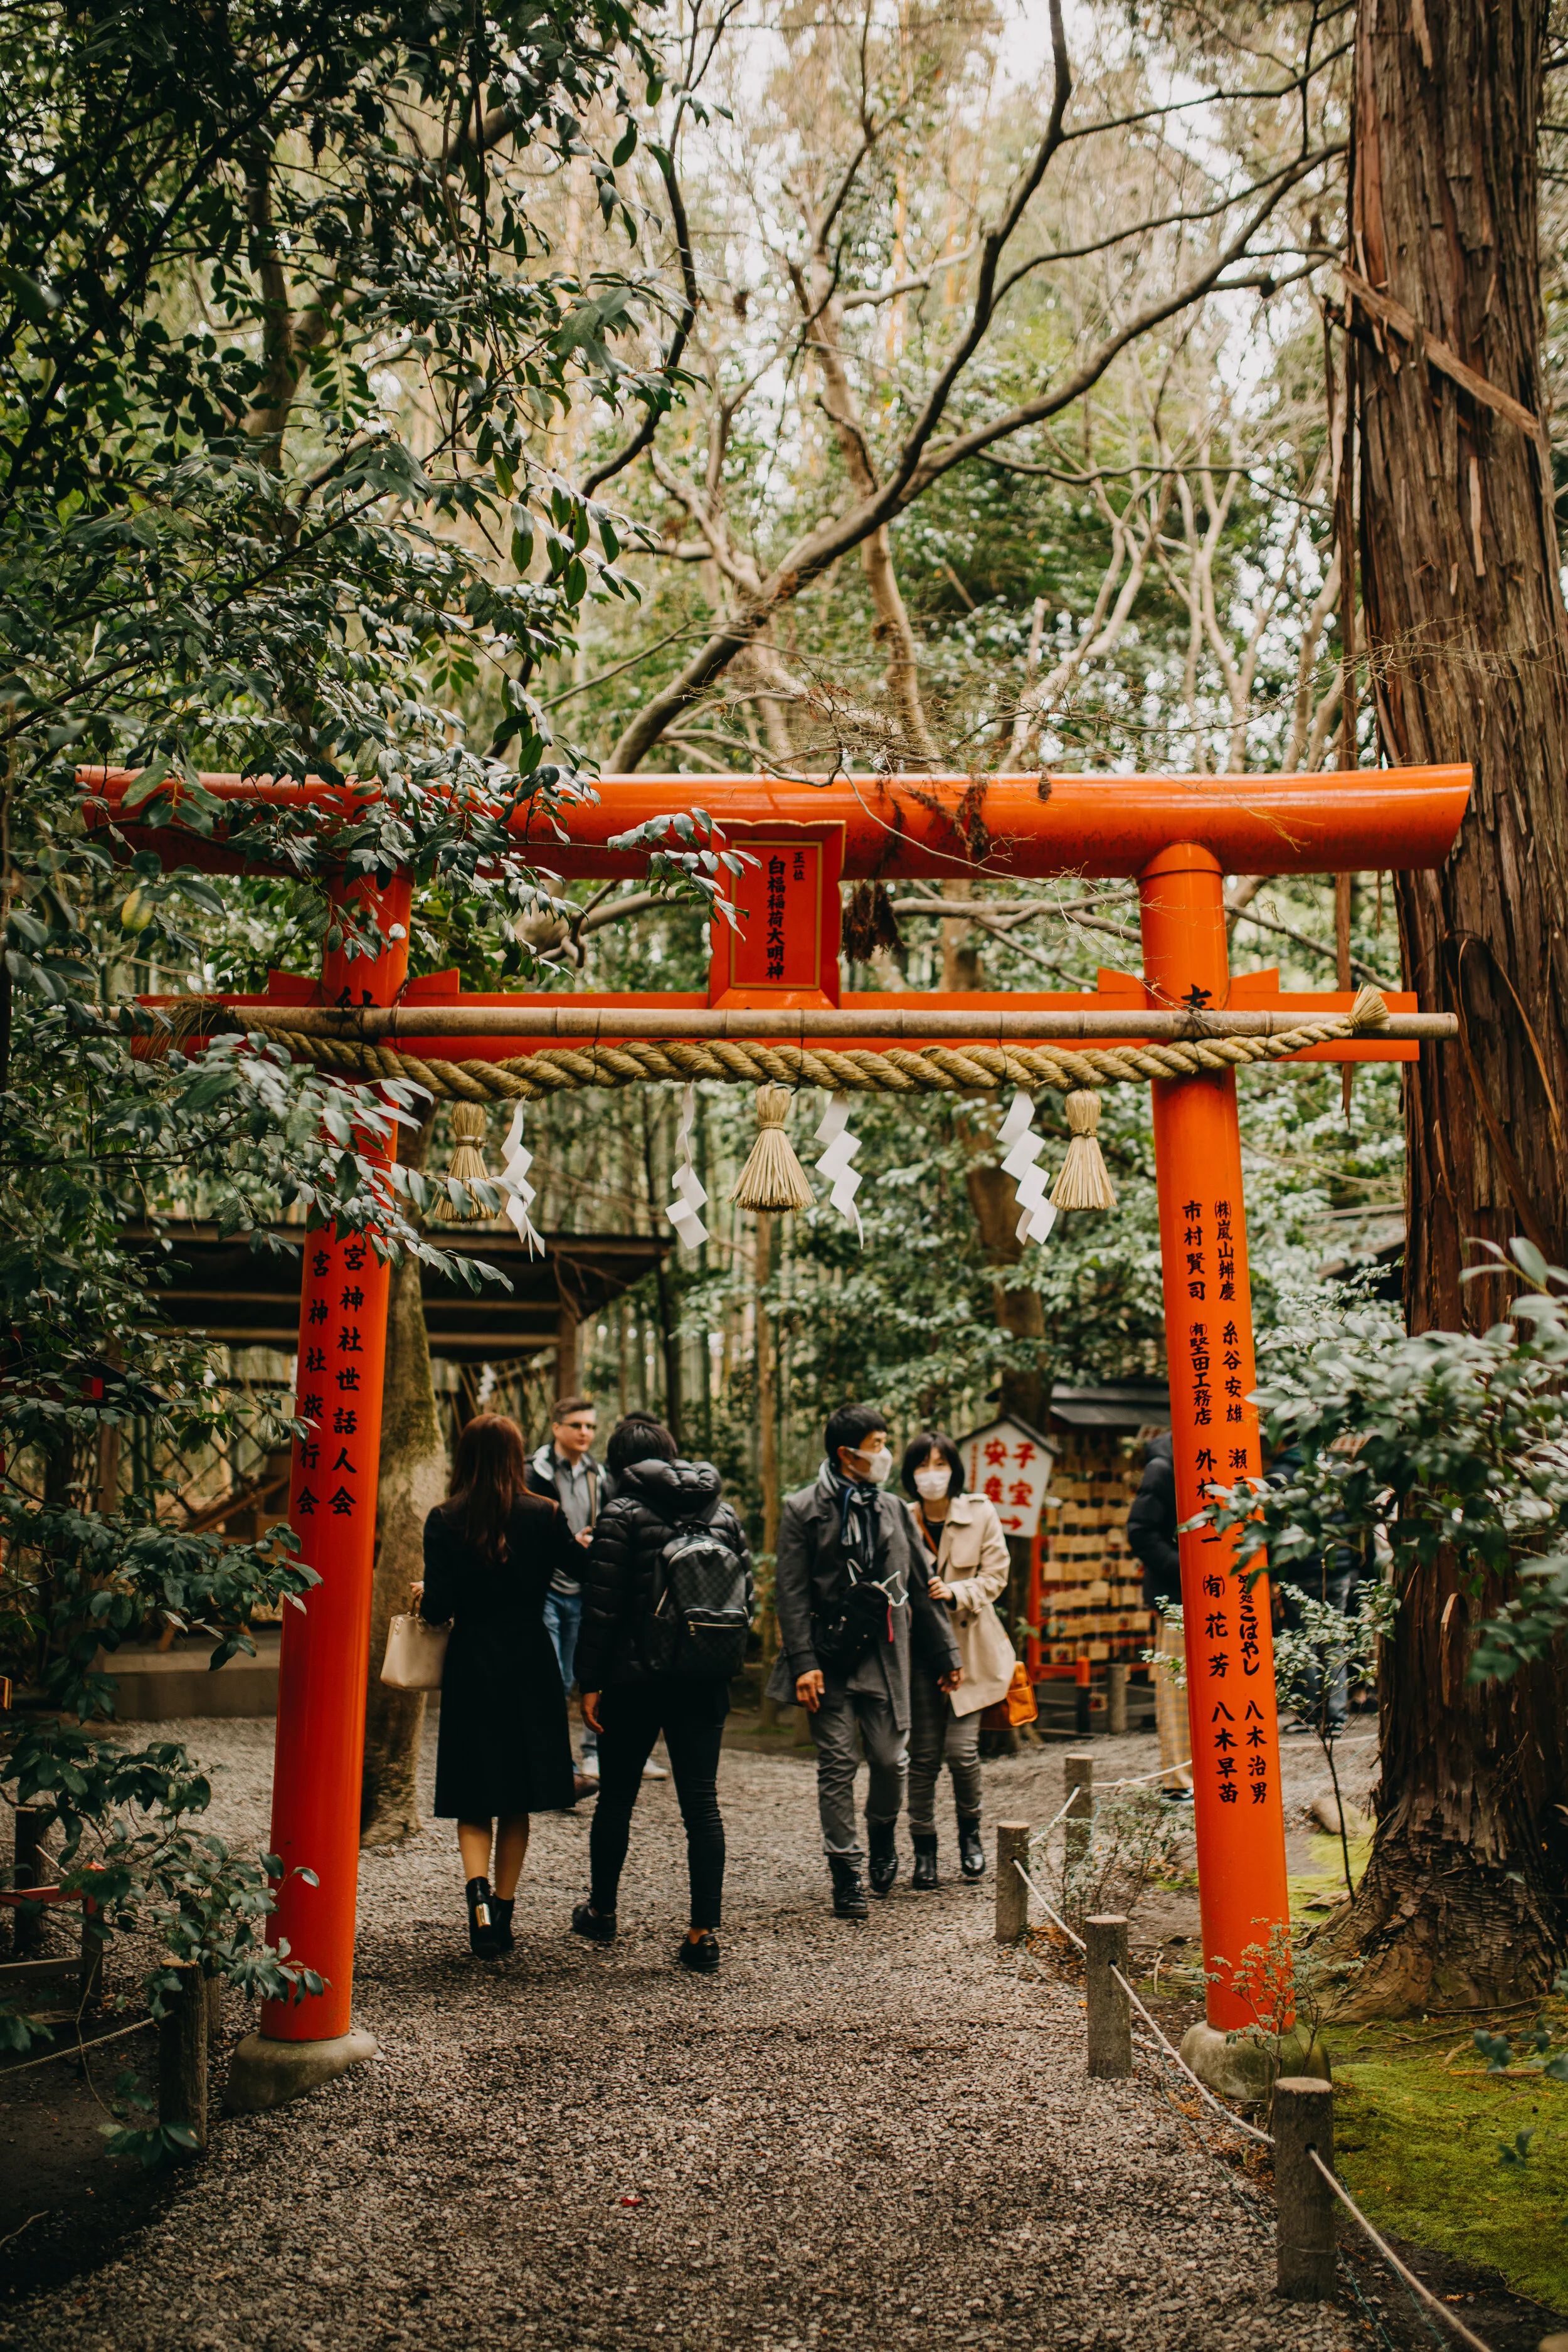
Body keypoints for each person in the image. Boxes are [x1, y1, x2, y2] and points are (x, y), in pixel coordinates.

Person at [569, 1417, 754, 1973]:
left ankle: (602, 1911)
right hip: (705, 1677)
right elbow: (747, 1597)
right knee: (702, 1803)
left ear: (620, 1464)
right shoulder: (723, 1513)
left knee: (617, 1798)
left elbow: (601, 1609)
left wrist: (590, 1682)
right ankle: (703, 1935)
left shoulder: (621, 1514)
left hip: (636, 1680)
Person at [766, 1401, 963, 1919]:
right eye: (877, 1446)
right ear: (846, 1454)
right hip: (828, 1657)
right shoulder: (803, 1508)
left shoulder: (896, 1509)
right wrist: (803, 1659)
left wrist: (945, 1652)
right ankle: (846, 1873)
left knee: (888, 1760)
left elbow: (921, 1586)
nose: (885, 1454)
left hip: (886, 1653)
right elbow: (790, 1592)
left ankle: (881, 1834)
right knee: (835, 1764)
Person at [417, 1413, 579, 1959]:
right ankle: (504, 1914)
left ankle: (478, 1900)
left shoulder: (444, 1519)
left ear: (464, 1457)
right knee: (517, 1798)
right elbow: (582, 1570)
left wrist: (430, 1590)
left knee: (473, 1792)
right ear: (516, 1457)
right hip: (531, 1663)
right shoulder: (545, 1513)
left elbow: (438, 1609)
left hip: (471, 1666)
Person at [901, 1430, 1015, 1888]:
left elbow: (996, 1575)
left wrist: (956, 1592)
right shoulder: (901, 1517)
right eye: (923, 1466)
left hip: (972, 1651)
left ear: (954, 1469)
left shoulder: (980, 1511)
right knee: (924, 1757)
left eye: (940, 1464)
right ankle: (924, 1851)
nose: (932, 1474)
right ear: (910, 1475)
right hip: (920, 1653)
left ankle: (971, 1839)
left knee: (963, 1754)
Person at [527, 1394, 611, 1793]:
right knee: (553, 1678)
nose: (584, 1433)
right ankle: (557, 1764)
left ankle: (591, 1753)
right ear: (557, 1426)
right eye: (577, 1425)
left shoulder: (600, 1475)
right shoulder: (534, 1471)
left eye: (591, 1426)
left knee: (588, 1676)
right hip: (546, 1587)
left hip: (585, 1588)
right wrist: (564, 1543)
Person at [1126, 1428, 1192, 1797]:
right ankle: (1179, 1780)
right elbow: (1140, 1530)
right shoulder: (1164, 1466)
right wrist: (1185, 1566)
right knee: (1177, 1686)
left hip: (1224, 1592)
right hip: (1177, 1593)